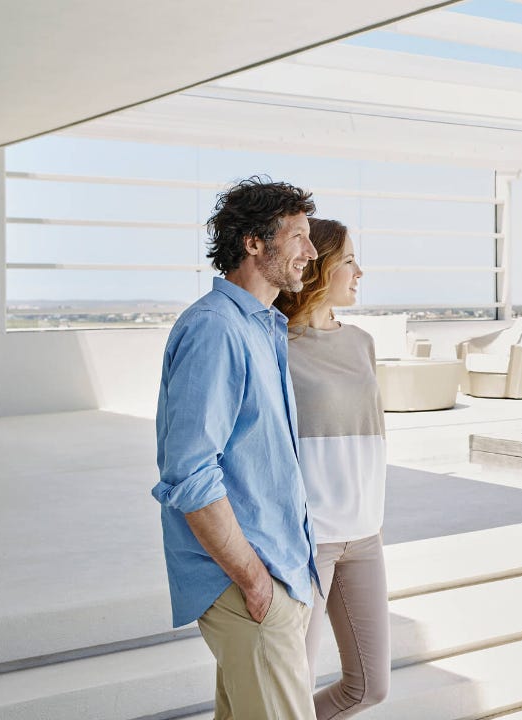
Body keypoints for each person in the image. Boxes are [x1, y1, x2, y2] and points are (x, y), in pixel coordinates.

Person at [152, 176, 321, 720]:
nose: (311, 252)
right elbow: (191, 474)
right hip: (251, 582)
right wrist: (254, 581)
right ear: (254, 242)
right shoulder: (216, 329)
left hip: (276, 574)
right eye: (297, 235)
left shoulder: (263, 327)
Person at [275, 218, 391, 719]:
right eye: (348, 260)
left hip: (365, 535)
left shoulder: (361, 342)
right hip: (308, 542)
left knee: (368, 687)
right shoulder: (274, 344)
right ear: (320, 267)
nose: (359, 270)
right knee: (284, 694)